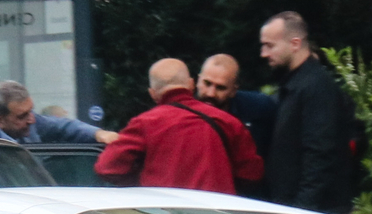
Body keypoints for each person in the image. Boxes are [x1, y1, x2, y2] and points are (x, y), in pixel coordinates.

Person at [92, 60, 261, 194]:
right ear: (191, 84)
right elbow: (252, 174)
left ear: (152, 93)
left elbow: (107, 167)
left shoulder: (145, 123)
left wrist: (141, 184)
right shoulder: (229, 122)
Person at [258, 11, 360, 214]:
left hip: (313, 212)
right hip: (303, 207)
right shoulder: (300, 84)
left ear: (295, 44)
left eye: (270, 45)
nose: (264, 53)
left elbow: (319, 153)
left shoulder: (315, 87)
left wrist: (302, 211)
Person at [194, 53, 275, 198]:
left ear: (233, 90)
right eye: (207, 83)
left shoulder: (258, 109)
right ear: (198, 81)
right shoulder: (180, 111)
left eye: (221, 88)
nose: (211, 93)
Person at [0, 80, 120, 145]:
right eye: (22, 116)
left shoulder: (31, 122)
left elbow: (65, 127)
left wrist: (99, 134)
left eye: (31, 111)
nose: (32, 120)